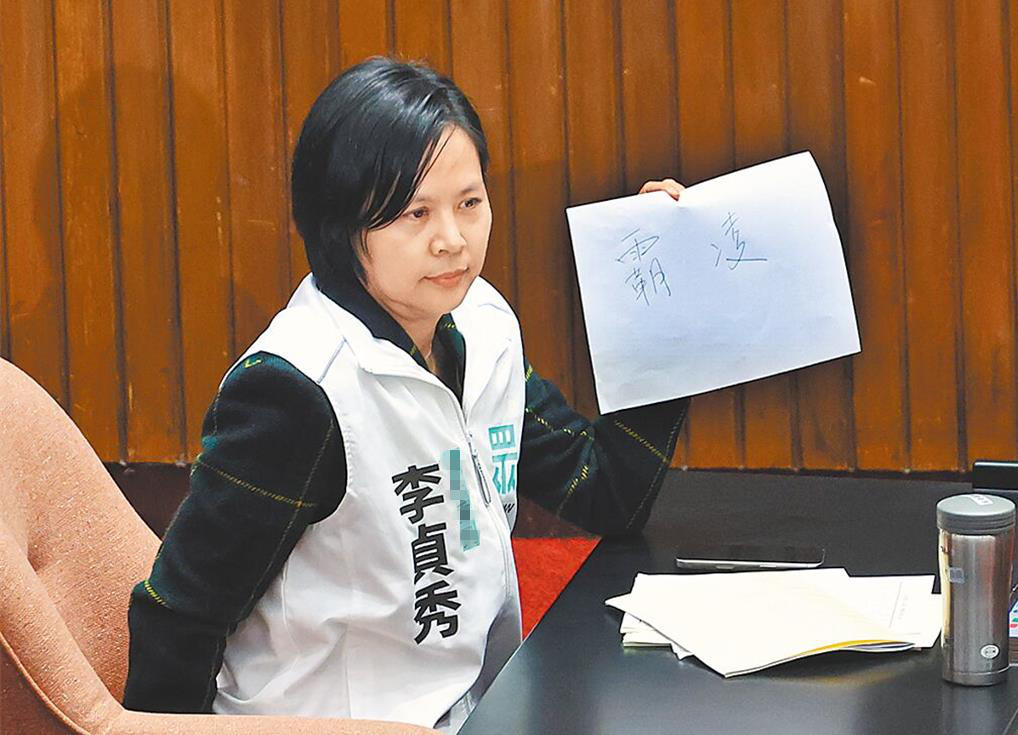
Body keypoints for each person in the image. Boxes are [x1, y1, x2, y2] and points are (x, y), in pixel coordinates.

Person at [123, 57, 687, 732]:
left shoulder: (480, 324)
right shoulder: (296, 390)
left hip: (479, 704)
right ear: (342, 225)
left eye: (469, 203)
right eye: (415, 213)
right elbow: (180, 613)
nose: (452, 240)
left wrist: (660, 305)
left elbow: (603, 491)